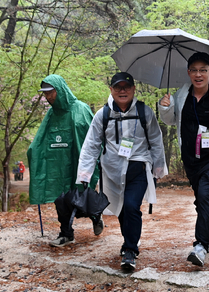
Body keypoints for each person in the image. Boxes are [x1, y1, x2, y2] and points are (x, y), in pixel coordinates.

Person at [76, 72, 167, 271]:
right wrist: (84, 174)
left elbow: (156, 140)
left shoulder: (145, 112)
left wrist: (158, 169)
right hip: (112, 172)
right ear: (111, 90)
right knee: (120, 208)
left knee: (132, 206)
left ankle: (130, 250)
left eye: (127, 87)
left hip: (138, 168)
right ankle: (131, 240)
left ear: (134, 89)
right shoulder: (103, 114)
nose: (122, 90)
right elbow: (91, 145)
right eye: (118, 87)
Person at [158, 52, 209, 267]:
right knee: (201, 200)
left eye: (203, 70)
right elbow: (170, 121)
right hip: (191, 159)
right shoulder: (181, 95)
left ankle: (200, 246)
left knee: (205, 195)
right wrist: (165, 106)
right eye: (194, 70)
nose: (198, 74)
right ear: (188, 73)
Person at [27, 74, 102, 247]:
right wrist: (34, 152)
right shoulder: (51, 114)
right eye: (45, 93)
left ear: (59, 90)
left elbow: (94, 138)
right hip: (58, 166)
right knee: (61, 199)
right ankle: (66, 233)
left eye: (50, 92)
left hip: (79, 164)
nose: (48, 96)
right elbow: (40, 139)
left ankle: (96, 216)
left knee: (81, 198)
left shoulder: (81, 109)